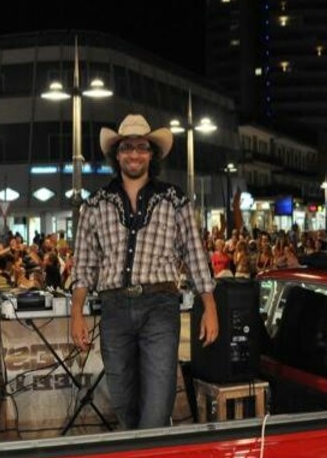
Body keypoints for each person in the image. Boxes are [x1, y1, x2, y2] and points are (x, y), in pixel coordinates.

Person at [70, 114, 218, 430]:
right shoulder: (95, 204)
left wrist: (210, 307)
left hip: (160, 305)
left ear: (152, 154)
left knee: (158, 398)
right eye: (127, 148)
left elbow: (194, 254)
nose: (134, 154)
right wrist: (76, 312)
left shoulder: (174, 200)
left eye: (141, 147)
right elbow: (84, 265)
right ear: (117, 154)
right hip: (113, 308)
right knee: (122, 399)